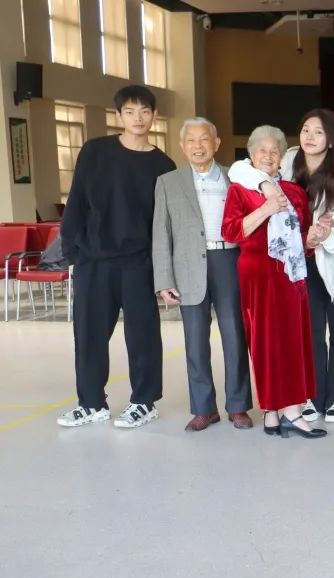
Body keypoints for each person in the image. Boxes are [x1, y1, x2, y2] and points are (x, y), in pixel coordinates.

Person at [57, 85, 176, 429]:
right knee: (89, 335)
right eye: (130, 111)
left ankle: (144, 402)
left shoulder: (163, 165)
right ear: (119, 115)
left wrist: (163, 271)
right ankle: (91, 403)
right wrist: (72, 250)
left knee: (143, 336)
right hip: (93, 259)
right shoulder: (95, 151)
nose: (138, 118)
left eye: (144, 111)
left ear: (154, 115)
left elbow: (163, 223)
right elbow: (77, 200)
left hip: (139, 262)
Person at [229, 109, 334, 425]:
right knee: (309, 334)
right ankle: (310, 396)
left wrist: (322, 236)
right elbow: (242, 168)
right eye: (306, 129)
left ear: (331, 141)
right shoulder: (287, 160)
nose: (310, 137)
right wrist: (266, 187)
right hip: (293, 267)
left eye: (319, 132)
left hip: (329, 261)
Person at [221, 125, 325, 439]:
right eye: (261, 150)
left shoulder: (294, 192)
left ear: (282, 156)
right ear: (251, 154)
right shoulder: (240, 189)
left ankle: (292, 410)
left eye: (274, 151)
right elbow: (231, 231)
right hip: (257, 275)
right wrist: (266, 209)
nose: (268, 156)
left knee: (293, 342)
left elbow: (301, 240)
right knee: (265, 342)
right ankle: (271, 409)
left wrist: (314, 239)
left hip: (290, 276)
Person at [152, 117, 253, 432]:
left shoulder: (235, 177)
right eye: (191, 140)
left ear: (216, 143)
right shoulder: (168, 182)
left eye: (204, 139)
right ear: (182, 146)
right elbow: (161, 233)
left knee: (235, 335)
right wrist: (164, 279)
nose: (198, 146)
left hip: (229, 260)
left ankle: (238, 406)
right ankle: (203, 409)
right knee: (195, 340)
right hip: (188, 268)